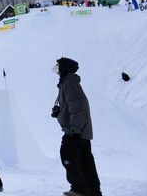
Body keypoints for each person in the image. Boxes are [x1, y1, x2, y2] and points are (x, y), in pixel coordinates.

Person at [52, 57, 102, 196]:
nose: (57, 70)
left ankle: (79, 189)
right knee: (85, 162)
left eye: (58, 67)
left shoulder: (69, 84)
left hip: (76, 131)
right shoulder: (68, 83)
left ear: (64, 69)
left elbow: (78, 108)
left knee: (68, 156)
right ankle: (93, 191)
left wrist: (75, 131)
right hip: (79, 131)